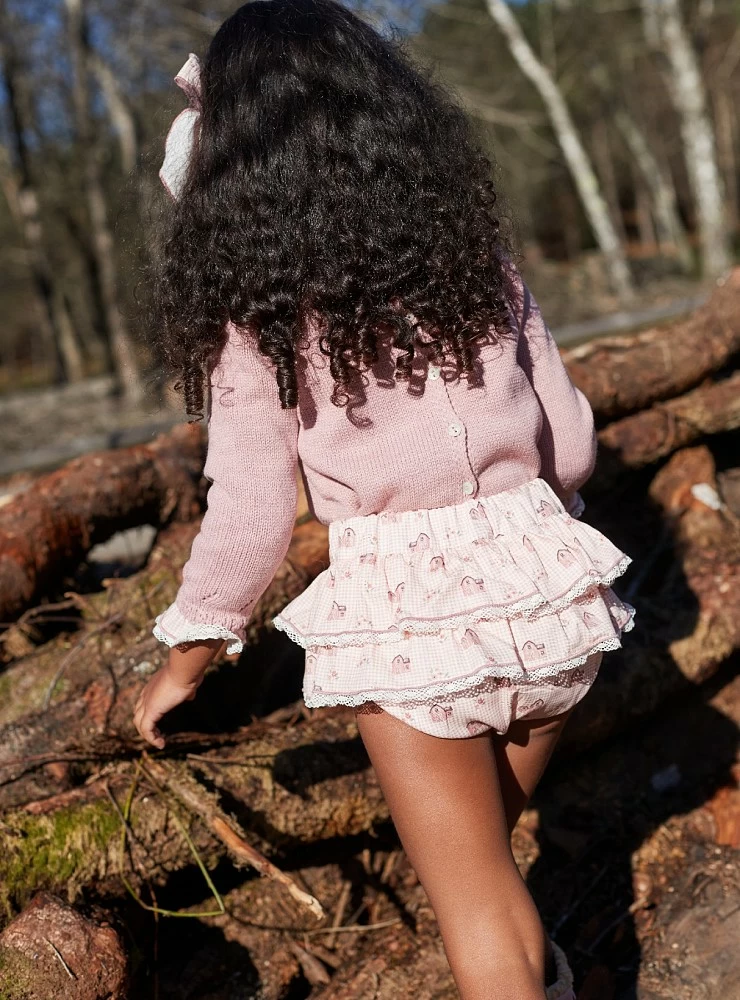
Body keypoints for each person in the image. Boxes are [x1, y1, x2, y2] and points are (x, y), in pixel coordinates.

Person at [134, 3, 635, 997]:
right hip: (549, 589)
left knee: (475, 903)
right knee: (493, 869)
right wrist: (525, 518)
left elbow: (248, 513)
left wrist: (187, 657)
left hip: (408, 618)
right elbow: (567, 436)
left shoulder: (263, 313)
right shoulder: (470, 261)